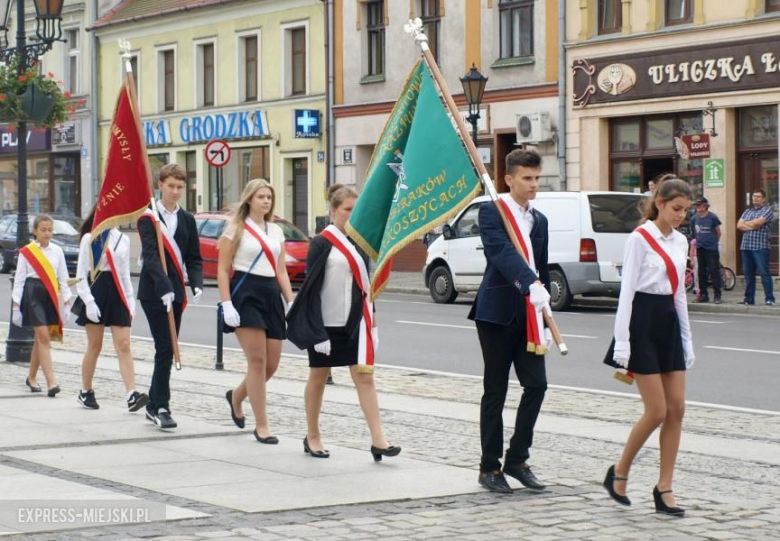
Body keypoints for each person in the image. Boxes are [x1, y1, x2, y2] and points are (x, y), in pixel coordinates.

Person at [286, 184, 400, 461]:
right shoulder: (321, 243)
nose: (353, 214)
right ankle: (312, 436)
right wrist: (317, 332)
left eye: (356, 209)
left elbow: (365, 286)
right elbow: (311, 290)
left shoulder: (361, 242)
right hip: (325, 324)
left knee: (365, 378)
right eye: (348, 209)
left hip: (355, 323)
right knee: (318, 377)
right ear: (334, 210)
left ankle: (379, 440)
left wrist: (373, 324)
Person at [603, 176, 694, 517]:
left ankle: (664, 487)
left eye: (684, 211)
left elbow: (679, 293)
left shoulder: (681, 241)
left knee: (677, 408)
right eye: (676, 209)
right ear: (659, 204)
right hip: (640, 322)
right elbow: (626, 292)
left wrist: (687, 339)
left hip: (668, 321)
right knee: (656, 411)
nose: (680, 215)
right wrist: (622, 342)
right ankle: (619, 472)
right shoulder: (640, 238)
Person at [467, 149, 552, 493]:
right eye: (527, 178)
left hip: (531, 313)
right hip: (497, 312)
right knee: (496, 390)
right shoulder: (493, 211)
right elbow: (500, 253)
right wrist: (529, 283)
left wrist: (545, 310)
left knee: (537, 385)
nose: (534, 184)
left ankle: (517, 459)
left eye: (537, 178)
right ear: (509, 179)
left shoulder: (539, 220)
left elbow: (541, 266)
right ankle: (489, 466)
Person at [219, 179, 294, 444]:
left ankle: (237, 396)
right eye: (261, 197)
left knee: (271, 365)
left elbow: (281, 270)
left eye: (269, 197)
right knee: (257, 362)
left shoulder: (276, 231)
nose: (266, 201)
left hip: (271, 294)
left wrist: (290, 301)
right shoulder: (235, 229)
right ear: (249, 199)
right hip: (246, 294)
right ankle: (262, 425)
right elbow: (222, 269)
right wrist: (226, 303)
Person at [137, 163, 203, 429]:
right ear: (160, 185)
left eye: (180, 187)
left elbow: (194, 257)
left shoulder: (187, 219)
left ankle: (153, 405)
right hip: (154, 292)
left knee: (168, 347)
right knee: (166, 347)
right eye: (171, 186)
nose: (175, 191)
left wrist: (196, 283)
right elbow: (151, 256)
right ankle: (162, 406)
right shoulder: (148, 217)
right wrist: (164, 287)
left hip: (175, 293)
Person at [73, 207, 149, 411]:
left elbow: (124, 274)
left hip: (117, 292)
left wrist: (130, 300)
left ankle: (131, 394)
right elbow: (81, 275)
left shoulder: (123, 239)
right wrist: (88, 301)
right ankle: (85, 391)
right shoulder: (90, 238)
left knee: (124, 344)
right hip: (95, 291)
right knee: (95, 346)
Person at [11, 215, 73, 397]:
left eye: (50, 230)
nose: (47, 233)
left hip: (50, 294)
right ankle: (51, 382)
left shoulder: (57, 251)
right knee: (44, 338)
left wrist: (67, 303)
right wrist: (16, 307)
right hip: (33, 294)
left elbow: (63, 278)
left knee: (41, 340)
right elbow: (19, 280)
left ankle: (31, 378)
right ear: (35, 231)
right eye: (43, 230)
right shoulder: (27, 252)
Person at [737, 189, 775, 306]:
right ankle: (749, 299)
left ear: (763, 199)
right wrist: (752, 225)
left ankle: (769, 299)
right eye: (754, 196)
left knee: (764, 273)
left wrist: (748, 224)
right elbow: (739, 225)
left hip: (760, 247)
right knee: (748, 274)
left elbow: (758, 223)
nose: (755, 198)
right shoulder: (747, 211)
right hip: (746, 246)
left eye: (758, 196)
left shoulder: (767, 211)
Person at [689, 197, 722, 304]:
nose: (698, 207)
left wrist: (714, 242)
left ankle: (717, 295)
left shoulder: (712, 217)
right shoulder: (694, 218)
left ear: (705, 206)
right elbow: (694, 233)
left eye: (700, 205)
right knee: (701, 272)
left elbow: (718, 232)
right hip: (700, 248)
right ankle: (703, 295)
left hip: (711, 248)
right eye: (697, 205)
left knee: (714, 271)